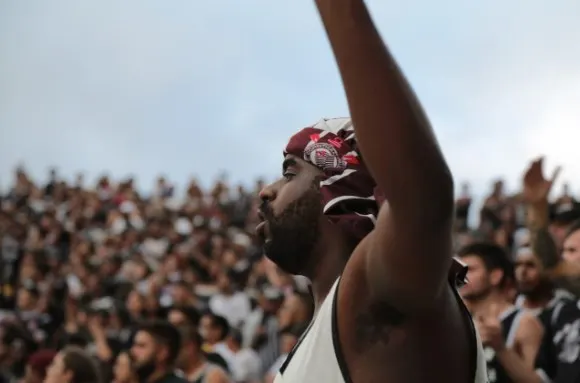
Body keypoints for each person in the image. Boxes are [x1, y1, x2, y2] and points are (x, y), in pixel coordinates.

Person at [255, 0, 487, 381]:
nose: (266, 191)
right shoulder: (320, 333)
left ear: (338, 187)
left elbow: (422, 201)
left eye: (289, 172)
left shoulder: (379, 290)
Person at [458, 243, 543, 382]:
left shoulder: (524, 322)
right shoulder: (459, 320)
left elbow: (536, 381)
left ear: (495, 276)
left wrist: (500, 347)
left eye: (470, 270)